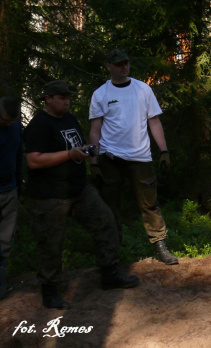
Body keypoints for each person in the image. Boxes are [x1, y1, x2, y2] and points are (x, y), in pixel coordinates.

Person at [24, 80, 139, 310]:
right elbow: (33, 160)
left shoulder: (69, 118)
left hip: (78, 189)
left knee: (105, 221)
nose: (67, 101)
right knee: (51, 243)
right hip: (50, 196)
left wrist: (87, 150)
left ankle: (109, 274)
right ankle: (50, 291)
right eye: (62, 97)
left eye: (68, 97)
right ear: (48, 98)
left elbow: (76, 144)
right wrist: (69, 154)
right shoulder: (39, 124)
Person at [89, 49, 177, 265]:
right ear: (109, 66)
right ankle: (113, 252)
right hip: (110, 159)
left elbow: (154, 121)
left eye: (126, 63)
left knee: (150, 204)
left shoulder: (143, 89)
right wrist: (94, 162)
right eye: (119, 64)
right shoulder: (101, 94)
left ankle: (161, 247)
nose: (124, 67)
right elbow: (95, 129)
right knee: (110, 206)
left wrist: (164, 151)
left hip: (141, 158)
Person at [0, 95, 22, 300]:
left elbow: (18, 154)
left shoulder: (15, 126)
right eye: (5, 120)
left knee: (5, 241)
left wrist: (19, 184)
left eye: (13, 121)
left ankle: (1, 283)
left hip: (10, 190)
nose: (9, 124)